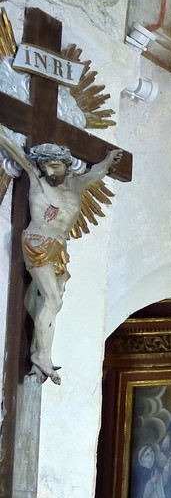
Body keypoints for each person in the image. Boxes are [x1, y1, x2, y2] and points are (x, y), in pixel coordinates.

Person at [0, 134, 124, 384]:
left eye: (54, 165)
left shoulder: (77, 184)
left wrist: (110, 158)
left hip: (59, 246)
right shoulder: (37, 179)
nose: (49, 170)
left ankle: (39, 347)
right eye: (45, 166)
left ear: (66, 165)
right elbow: (16, 151)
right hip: (39, 241)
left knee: (54, 301)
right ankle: (42, 356)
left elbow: (97, 172)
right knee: (52, 299)